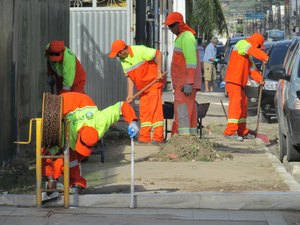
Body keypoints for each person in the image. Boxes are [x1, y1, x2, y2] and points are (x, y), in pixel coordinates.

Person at [42, 92, 139, 196]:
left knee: (73, 157)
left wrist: (132, 122)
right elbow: (48, 153)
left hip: (84, 103)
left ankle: (75, 183)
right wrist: (50, 178)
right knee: (52, 153)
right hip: (65, 103)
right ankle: (54, 181)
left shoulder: (100, 122)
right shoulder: (67, 131)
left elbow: (121, 106)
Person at [108, 40, 165, 145]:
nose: (117, 57)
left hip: (153, 83)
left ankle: (158, 138)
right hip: (142, 88)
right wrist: (130, 94)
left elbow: (158, 53)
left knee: (155, 110)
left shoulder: (139, 50)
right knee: (144, 112)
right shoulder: (123, 60)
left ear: (122, 51)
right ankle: (144, 138)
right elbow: (129, 76)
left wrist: (158, 71)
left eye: (117, 54)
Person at [223, 33, 269, 141]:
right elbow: (251, 50)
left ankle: (241, 131)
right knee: (236, 107)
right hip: (234, 82)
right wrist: (264, 57)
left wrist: (260, 79)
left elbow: (251, 70)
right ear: (256, 44)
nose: (258, 48)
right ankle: (230, 132)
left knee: (243, 106)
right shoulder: (242, 44)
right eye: (259, 46)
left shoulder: (248, 56)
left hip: (239, 84)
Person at [164, 12, 202, 135]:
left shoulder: (187, 37)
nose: (170, 29)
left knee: (183, 112)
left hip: (185, 84)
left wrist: (189, 82)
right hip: (183, 84)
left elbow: (191, 62)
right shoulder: (183, 37)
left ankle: (182, 140)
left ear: (179, 24)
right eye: (169, 27)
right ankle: (189, 139)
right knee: (187, 113)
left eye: (172, 26)